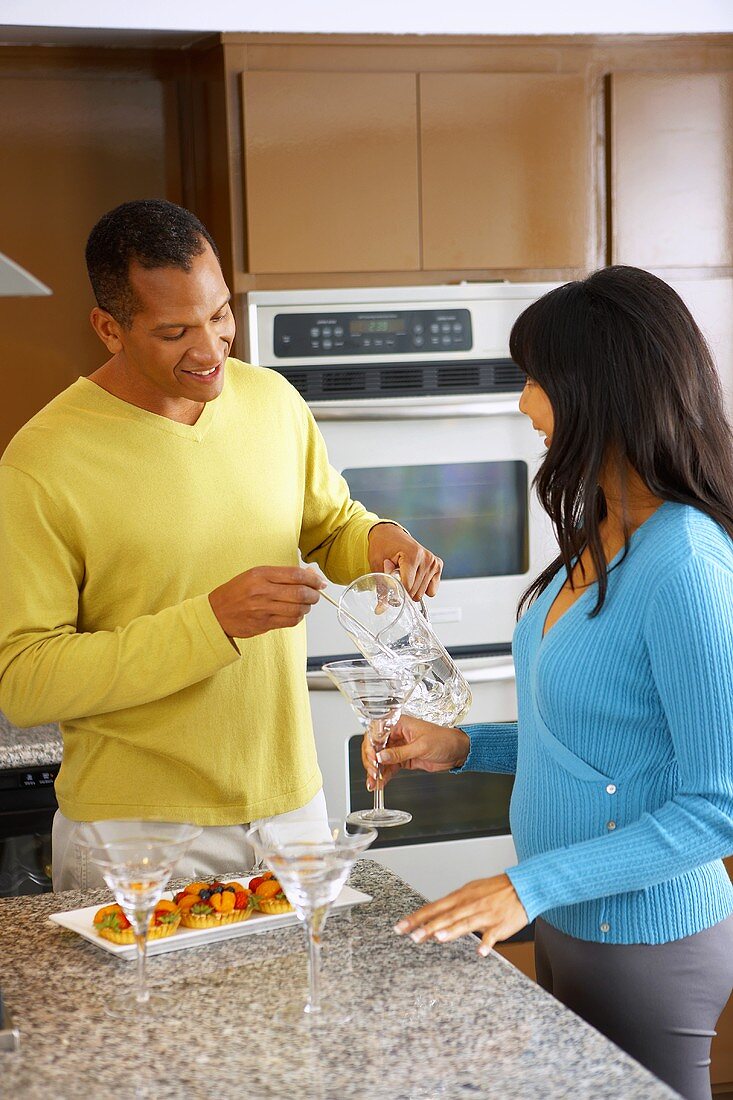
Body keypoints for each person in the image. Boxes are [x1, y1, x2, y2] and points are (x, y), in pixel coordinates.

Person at [363, 266, 733, 1100]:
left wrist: (525, 887)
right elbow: (604, 746)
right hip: (569, 915)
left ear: (596, 389)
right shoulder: (603, 532)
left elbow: (719, 804)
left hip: (643, 938)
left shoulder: (684, 563)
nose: (524, 404)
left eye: (534, 380)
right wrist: (459, 746)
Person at [0, 198, 442, 890]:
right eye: (175, 331)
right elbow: (25, 680)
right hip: (138, 829)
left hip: (291, 805)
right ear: (108, 329)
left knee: (304, 999)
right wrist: (208, 623)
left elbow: (328, 525)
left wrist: (379, 539)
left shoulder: (271, 401)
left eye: (219, 315)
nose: (210, 351)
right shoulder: (43, 462)